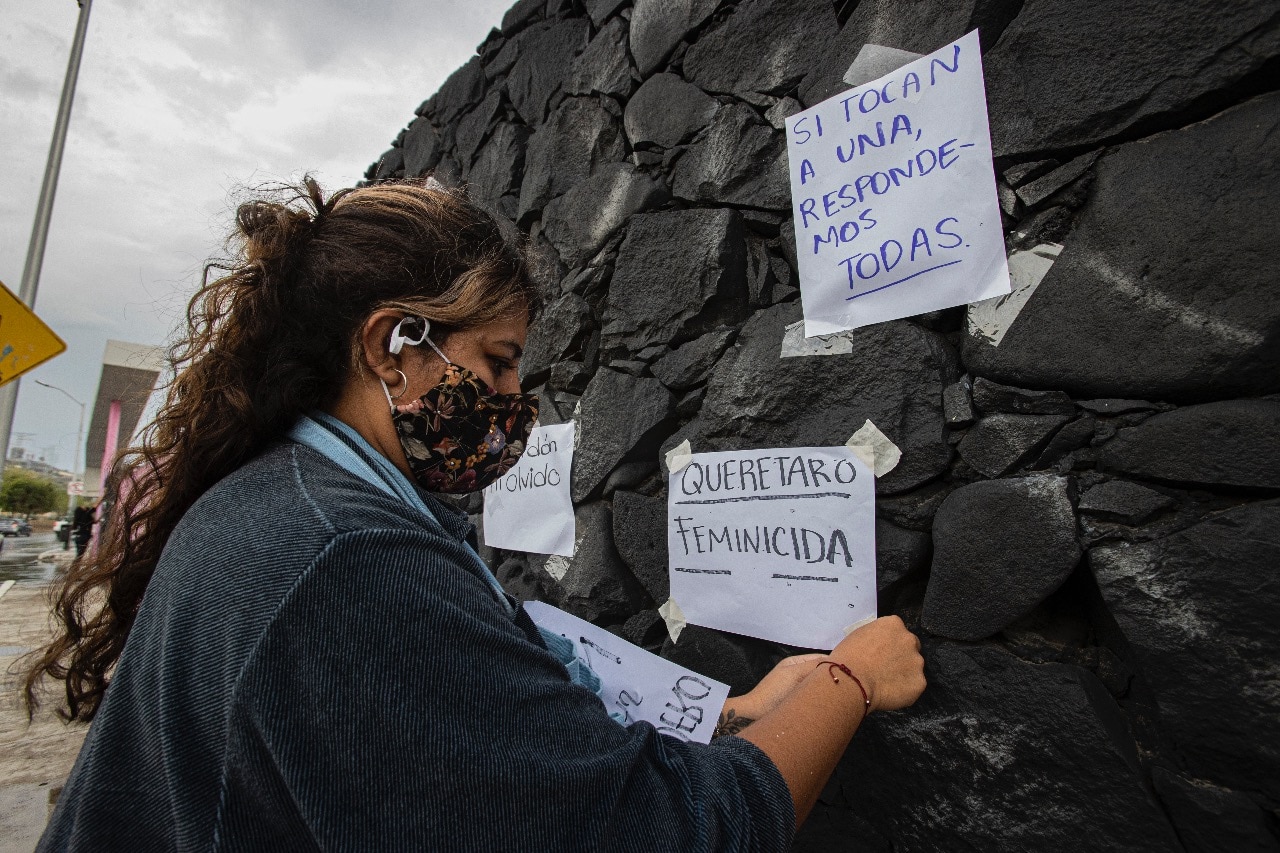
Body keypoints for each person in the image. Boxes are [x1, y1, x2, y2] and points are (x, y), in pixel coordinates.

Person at [24, 178, 925, 851]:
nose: (513, 402)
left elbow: (516, 712)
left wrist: (737, 715)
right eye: (496, 362)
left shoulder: (289, 503)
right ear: (391, 345)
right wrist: (850, 680)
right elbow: (660, 830)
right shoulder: (347, 559)